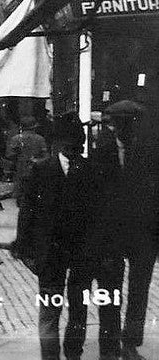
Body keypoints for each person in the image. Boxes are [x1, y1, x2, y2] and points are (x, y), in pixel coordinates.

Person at [14, 116, 117, 360]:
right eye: (72, 143)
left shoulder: (91, 171)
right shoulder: (40, 171)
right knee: (50, 311)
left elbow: (98, 215)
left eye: (79, 143)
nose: (76, 149)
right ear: (60, 143)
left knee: (79, 309)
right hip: (50, 253)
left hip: (82, 254)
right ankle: (50, 357)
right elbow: (27, 212)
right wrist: (24, 248)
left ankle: (73, 354)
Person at [95, 99, 157, 360]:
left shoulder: (150, 153)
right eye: (117, 123)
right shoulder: (101, 154)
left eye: (126, 123)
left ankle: (130, 344)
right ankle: (109, 348)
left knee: (139, 289)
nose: (121, 128)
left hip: (144, 234)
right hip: (111, 236)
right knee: (109, 290)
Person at [6, 115, 48, 203]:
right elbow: (46, 157)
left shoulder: (16, 139)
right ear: (35, 126)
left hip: (20, 170)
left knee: (21, 196)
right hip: (36, 170)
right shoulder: (40, 139)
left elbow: (10, 155)